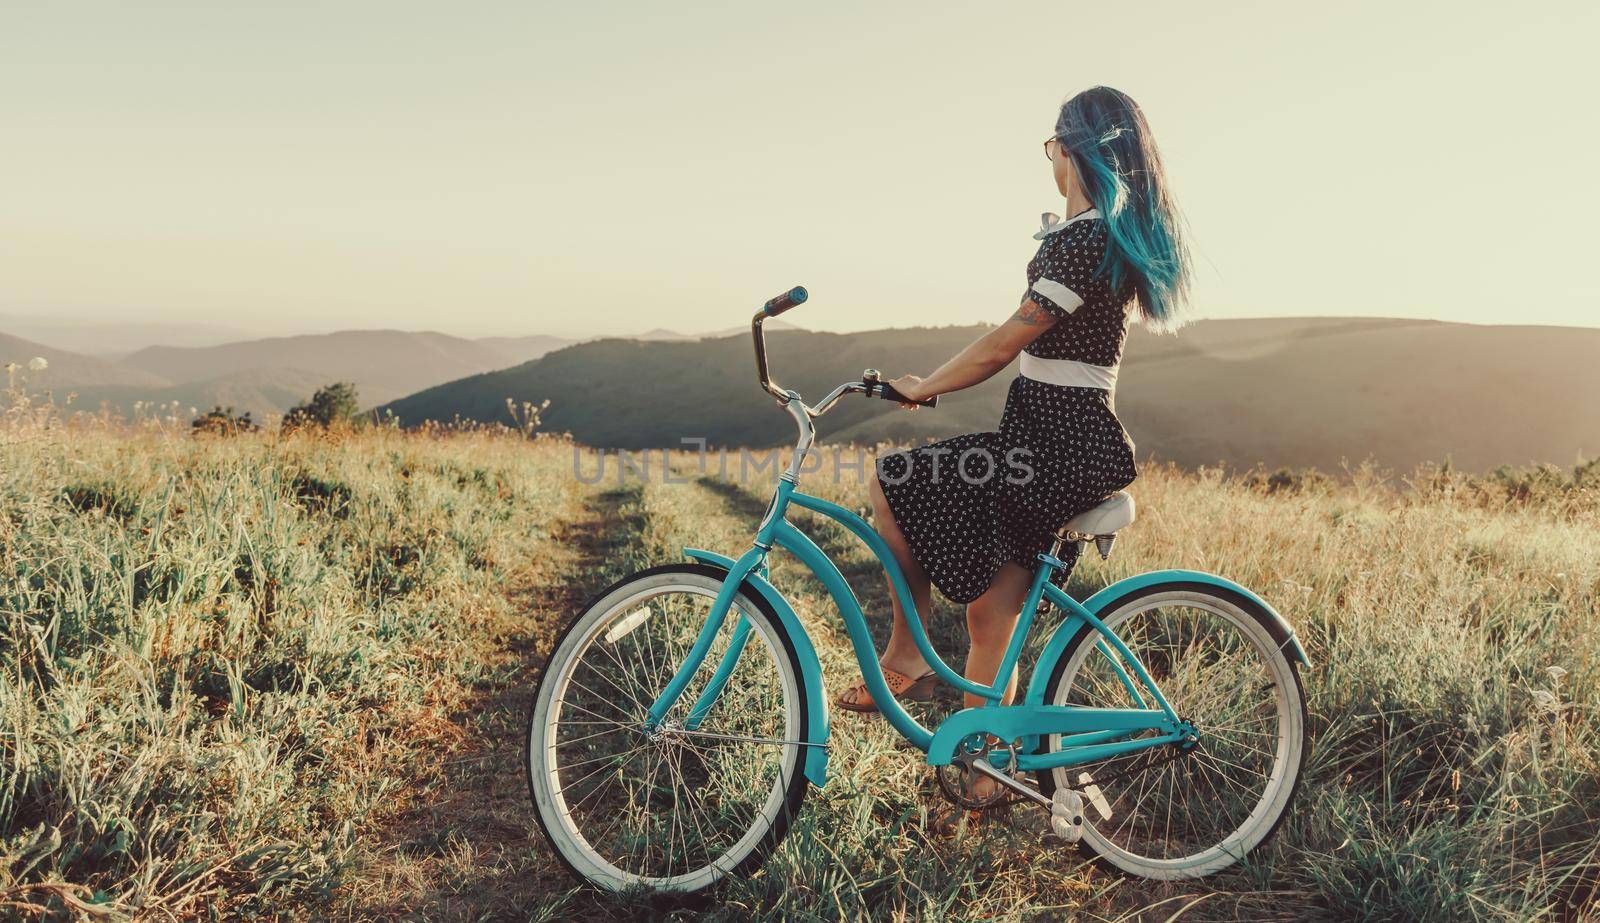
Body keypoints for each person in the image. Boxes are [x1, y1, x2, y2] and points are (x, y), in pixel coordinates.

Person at [833, 86, 1192, 775]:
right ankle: (987, 772)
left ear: (1074, 149)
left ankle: (908, 654)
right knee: (990, 616)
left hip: (1055, 447)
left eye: (1053, 143)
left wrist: (923, 384)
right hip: (1046, 437)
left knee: (891, 477)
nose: (1049, 157)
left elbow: (1003, 345)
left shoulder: (1085, 242)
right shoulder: (1084, 238)